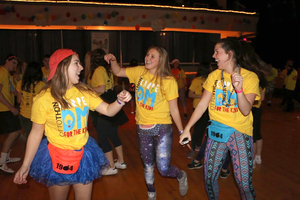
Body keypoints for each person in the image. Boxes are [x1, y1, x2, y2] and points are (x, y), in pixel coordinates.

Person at [13, 49, 132, 200]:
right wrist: (25, 165)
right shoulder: (43, 98)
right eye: (76, 63)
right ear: (61, 67)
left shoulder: (84, 92)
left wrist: (120, 101)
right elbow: (36, 133)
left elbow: (108, 110)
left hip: (83, 155)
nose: (81, 68)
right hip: (57, 157)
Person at [180, 38, 270, 199]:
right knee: (209, 179)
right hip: (216, 133)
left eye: (217, 52)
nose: (214, 56)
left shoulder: (250, 77)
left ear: (229, 54)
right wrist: (187, 128)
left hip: (239, 133)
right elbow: (201, 106)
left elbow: (245, 109)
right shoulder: (214, 76)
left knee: (244, 183)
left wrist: (239, 90)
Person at [105, 46, 188, 200]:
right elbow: (117, 72)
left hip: (162, 126)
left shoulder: (168, 80)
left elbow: (174, 110)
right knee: (148, 165)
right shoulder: (140, 71)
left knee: (163, 169)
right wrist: (114, 60)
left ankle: (181, 175)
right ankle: (151, 194)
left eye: (153, 56)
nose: (148, 58)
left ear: (161, 60)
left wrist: (182, 132)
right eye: (147, 54)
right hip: (142, 126)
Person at [86, 48, 128, 176]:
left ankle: (111, 167)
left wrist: (87, 90)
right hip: (111, 99)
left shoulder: (98, 70)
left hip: (105, 103)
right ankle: (121, 162)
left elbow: (101, 88)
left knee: (103, 137)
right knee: (113, 135)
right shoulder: (107, 69)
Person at [0, 54, 22, 173]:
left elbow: (8, 91)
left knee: (17, 131)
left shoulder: (7, 74)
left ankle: (6, 157)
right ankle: (1, 162)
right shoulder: (2, 72)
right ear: (6, 61)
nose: (15, 66)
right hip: (4, 109)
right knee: (14, 133)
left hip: (8, 108)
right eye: (13, 63)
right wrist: (10, 107)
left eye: (16, 64)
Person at [187, 62, 211, 159]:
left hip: (209, 108)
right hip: (198, 107)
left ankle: (198, 145)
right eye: (209, 67)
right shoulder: (196, 81)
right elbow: (190, 94)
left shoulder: (211, 79)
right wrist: (203, 96)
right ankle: (192, 149)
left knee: (205, 128)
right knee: (197, 129)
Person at [16, 62, 45, 140]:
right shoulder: (42, 85)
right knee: (40, 138)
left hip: (24, 115)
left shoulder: (21, 83)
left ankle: (28, 152)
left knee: (29, 137)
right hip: (37, 115)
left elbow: (18, 100)